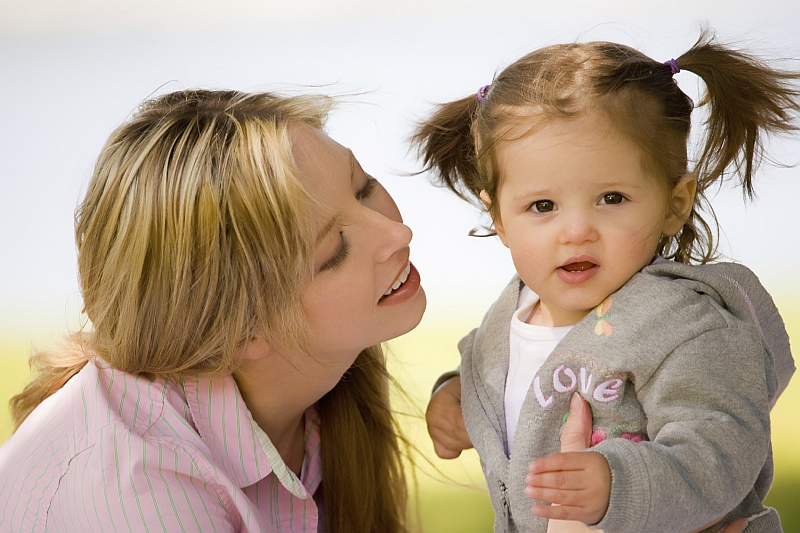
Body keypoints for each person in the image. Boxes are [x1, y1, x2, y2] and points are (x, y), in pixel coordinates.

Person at [413, 30, 797, 533]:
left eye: (611, 198)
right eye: (542, 206)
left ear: (674, 203)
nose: (576, 231)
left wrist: (620, 484)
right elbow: (505, 377)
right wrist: (459, 394)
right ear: (499, 218)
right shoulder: (513, 314)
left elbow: (722, 445)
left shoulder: (684, 325)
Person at [0, 89, 427, 533]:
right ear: (241, 333)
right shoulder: (136, 496)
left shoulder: (322, 396)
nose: (398, 233)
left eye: (364, 188)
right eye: (334, 252)